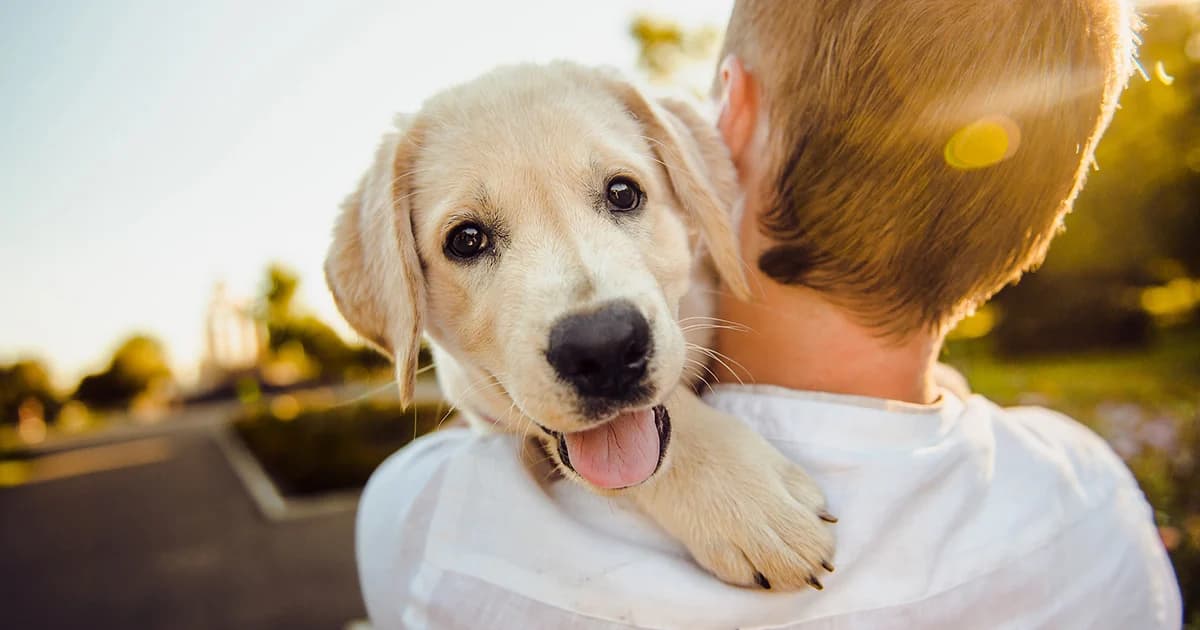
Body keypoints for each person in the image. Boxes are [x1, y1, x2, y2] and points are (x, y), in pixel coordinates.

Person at [356, 0, 1183, 627]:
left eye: (620, 195)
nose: (595, 318)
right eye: (470, 240)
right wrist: (682, 456)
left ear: (727, 122)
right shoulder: (1093, 503)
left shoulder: (432, 526)